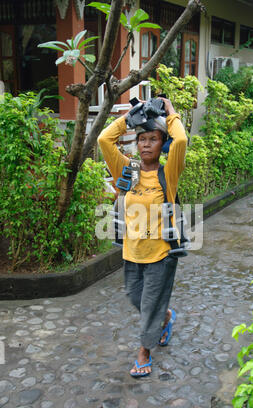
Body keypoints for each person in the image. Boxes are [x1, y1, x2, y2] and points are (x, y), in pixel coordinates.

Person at [98, 98, 187, 377]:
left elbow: (181, 141)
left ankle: (144, 352)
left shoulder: (167, 174)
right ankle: (166, 316)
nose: (147, 144)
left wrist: (170, 112)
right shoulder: (127, 171)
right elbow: (104, 139)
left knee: (148, 306)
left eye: (153, 139)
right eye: (142, 139)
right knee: (135, 298)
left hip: (161, 253)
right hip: (132, 252)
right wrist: (129, 118)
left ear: (162, 145)